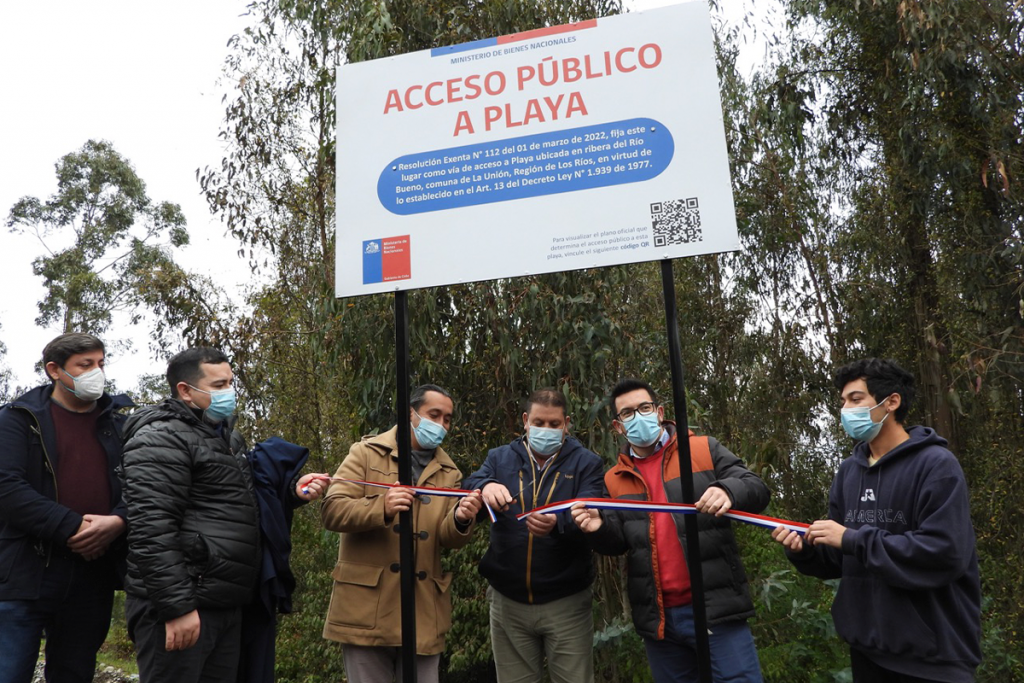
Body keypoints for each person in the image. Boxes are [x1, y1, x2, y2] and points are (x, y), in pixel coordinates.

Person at [120, 347, 326, 683]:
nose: (229, 392)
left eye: (231, 382)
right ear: (185, 390)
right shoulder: (160, 437)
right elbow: (151, 529)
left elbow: (232, 505)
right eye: (218, 385)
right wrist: (178, 608)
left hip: (225, 602)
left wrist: (291, 493)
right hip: (185, 603)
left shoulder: (226, 438)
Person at [771, 359, 981, 683]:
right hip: (868, 652)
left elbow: (944, 553)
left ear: (891, 402)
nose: (845, 409)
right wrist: (805, 550)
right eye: (842, 401)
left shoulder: (936, 465)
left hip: (934, 659)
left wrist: (853, 539)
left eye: (855, 399)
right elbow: (840, 560)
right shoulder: (849, 472)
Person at [572, 378, 769, 683]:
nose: (638, 416)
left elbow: (756, 488)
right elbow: (619, 542)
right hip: (660, 619)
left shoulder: (702, 449)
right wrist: (597, 529)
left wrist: (728, 490)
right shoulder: (614, 478)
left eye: (645, 407)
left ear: (660, 411)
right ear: (618, 426)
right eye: (627, 413)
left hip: (715, 608)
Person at [321, 384, 483, 683]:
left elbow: (447, 539)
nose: (441, 424)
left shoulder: (450, 472)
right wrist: (381, 507)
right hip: (367, 609)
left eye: (447, 418)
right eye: (434, 414)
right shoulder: (366, 453)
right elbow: (332, 511)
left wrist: (461, 518)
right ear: (411, 413)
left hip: (422, 611)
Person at [0, 333, 133, 683]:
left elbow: (144, 487)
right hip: (27, 571)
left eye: (101, 363)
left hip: (94, 574)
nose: (97, 373)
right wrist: (74, 528)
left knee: (75, 673)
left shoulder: (120, 425)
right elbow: (7, 489)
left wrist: (118, 521)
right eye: (85, 365)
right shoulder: (18, 419)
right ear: (55, 370)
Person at [463, 388, 605, 683]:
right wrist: (486, 485)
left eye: (554, 424)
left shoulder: (587, 463)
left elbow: (592, 511)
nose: (546, 430)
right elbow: (472, 482)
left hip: (565, 601)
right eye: (539, 423)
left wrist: (559, 523)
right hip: (507, 601)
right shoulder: (500, 457)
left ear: (566, 424)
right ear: (525, 421)